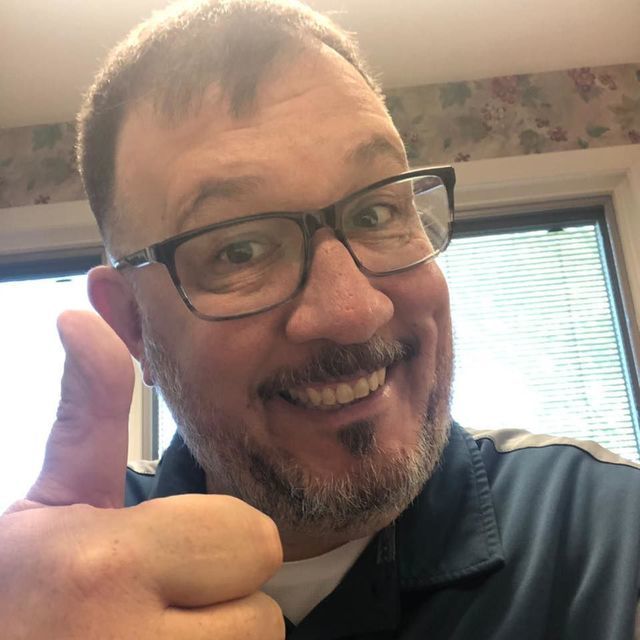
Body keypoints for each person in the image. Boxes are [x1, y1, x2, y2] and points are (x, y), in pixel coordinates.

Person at [2, 1, 640, 638]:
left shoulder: (607, 538)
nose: (354, 311)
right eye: (240, 250)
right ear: (133, 325)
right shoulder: (54, 591)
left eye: (376, 213)